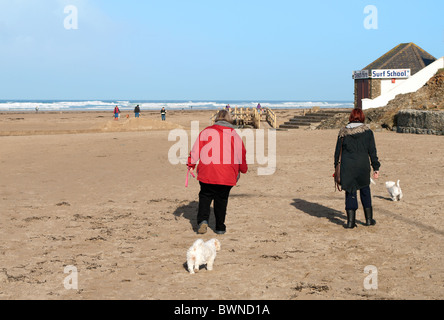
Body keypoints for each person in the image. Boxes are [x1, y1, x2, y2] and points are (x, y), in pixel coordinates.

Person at [188, 110, 248, 235]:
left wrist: (191, 164)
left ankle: (203, 220)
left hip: (207, 171)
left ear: (217, 119)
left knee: (205, 196)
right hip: (227, 173)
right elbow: (241, 154)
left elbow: (195, 150)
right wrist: (243, 169)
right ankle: (220, 226)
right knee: (222, 198)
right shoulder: (234, 135)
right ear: (229, 119)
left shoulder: (206, 131)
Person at [334, 108, 380, 229]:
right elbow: (372, 151)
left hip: (347, 167)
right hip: (363, 166)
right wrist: (376, 167)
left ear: (351, 117)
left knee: (350, 192)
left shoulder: (343, 132)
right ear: (362, 117)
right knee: (365, 191)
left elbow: (337, 153)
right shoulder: (368, 132)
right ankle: (369, 220)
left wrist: (336, 168)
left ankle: (350, 222)